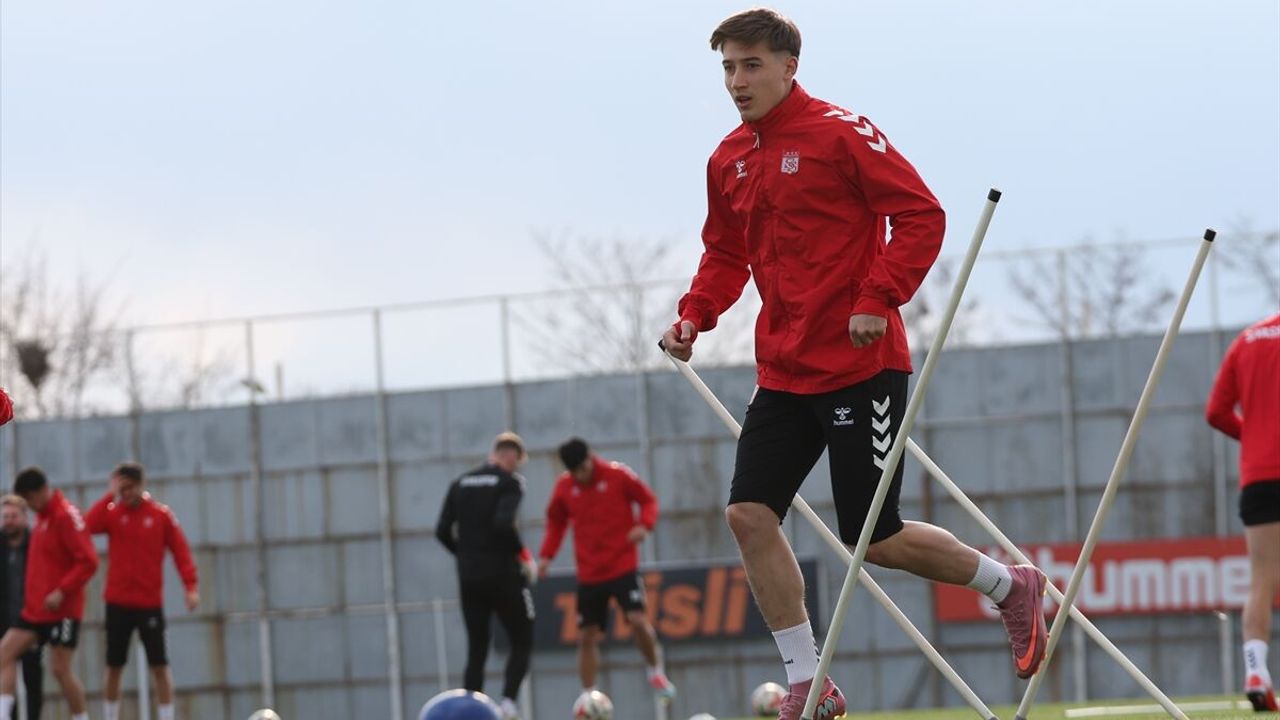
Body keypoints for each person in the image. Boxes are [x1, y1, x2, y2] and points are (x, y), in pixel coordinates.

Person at [659, 9, 1047, 718]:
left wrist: (878, 296)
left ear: (789, 67)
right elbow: (725, 253)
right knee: (748, 514)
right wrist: (694, 315)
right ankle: (809, 683)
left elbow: (921, 215)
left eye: (751, 65)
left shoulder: (842, 132)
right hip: (783, 371)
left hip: (861, 364)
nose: (737, 81)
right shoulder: (728, 158)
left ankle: (1009, 586)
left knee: (877, 538)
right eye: (728, 68)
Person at [537, 438, 676, 702]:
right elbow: (556, 523)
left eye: (583, 468)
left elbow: (648, 500)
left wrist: (644, 525)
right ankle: (588, 696)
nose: (581, 475)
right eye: (575, 472)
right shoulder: (565, 487)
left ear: (590, 458)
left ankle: (655, 672)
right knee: (586, 635)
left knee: (637, 620)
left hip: (623, 565)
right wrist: (546, 556)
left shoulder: (617, 475)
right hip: (589, 573)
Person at [84, 462, 200, 720]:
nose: (126, 493)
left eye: (130, 487)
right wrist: (109, 495)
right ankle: (110, 716)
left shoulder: (160, 515)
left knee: (159, 665)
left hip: (149, 603)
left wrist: (190, 586)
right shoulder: (113, 513)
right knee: (114, 665)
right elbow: (87, 526)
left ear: (141, 485)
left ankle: (166, 716)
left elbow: (181, 552)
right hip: (117, 602)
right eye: (122, 488)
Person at [1207, 313, 1280, 712]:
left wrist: (1252, 437)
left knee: (1262, 580)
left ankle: (1256, 671)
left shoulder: (1246, 340)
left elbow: (1216, 411)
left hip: (1260, 476)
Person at [435, 433, 536, 720]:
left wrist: (465, 555)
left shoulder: (461, 483)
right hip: (503, 574)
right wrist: (523, 555)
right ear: (511, 457)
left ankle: (470, 712)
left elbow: (441, 531)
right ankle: (508, 703)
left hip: (470, 576)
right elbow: (503, 523)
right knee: (523, 638)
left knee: (477, 646)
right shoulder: (510, 482)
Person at [0, 467, 97, 720]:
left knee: (60, 670)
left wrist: (61, 591)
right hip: (35, 611)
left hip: (62, 611)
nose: (30, 506)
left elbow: (88, 562)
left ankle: (81, 717)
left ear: (42, 491)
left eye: (30, 499)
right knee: (4, 653)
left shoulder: (65, 516)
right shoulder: (42, 518)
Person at [0, 496, 42, 720]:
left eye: (13, 516)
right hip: (4, 621)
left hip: (31, 620)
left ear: (25, 518)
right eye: (5, 517)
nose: (9, 521)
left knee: (32, 676)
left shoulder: (36, 544)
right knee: (5, 668)